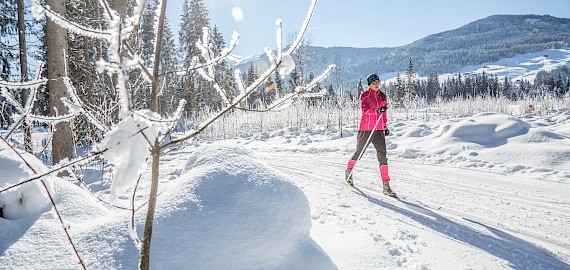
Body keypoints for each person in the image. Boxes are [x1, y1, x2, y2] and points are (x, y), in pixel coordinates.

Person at [345, 73, 396, 197]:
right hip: (366, 130)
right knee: (359, 153)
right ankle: (349, 172)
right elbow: (365, 111)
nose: (377, 85)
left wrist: (384, 126)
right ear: (369, 85)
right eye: (374, 83)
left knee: (383, 156)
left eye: (378, 83)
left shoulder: (383, 96)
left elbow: (384, 114)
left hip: (378, 131)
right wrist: (376, 111)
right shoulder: (365, 96)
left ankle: (386, 185)